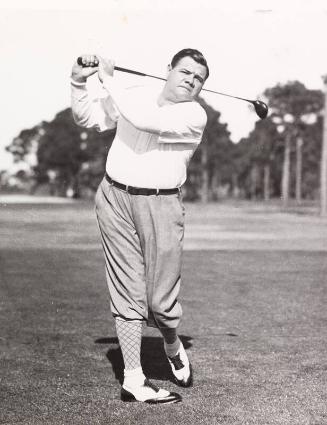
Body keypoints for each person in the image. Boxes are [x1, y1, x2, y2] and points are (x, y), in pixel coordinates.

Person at [70, 48, 209, 404]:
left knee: (161, 303)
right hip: (113, 198)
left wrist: (109, 79)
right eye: (185, 72)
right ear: (168, 70)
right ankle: (134, 379)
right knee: (127, 290)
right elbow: (88, 118)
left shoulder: (194, 115)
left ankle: (172, 343)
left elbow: (145, 120)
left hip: (161, 205)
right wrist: (79, 81)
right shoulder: (135, 94)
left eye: (198, 78)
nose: (190, 80)